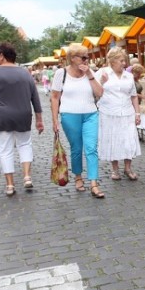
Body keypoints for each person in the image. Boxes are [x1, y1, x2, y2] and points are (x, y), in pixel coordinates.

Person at [0, 42, 44, 196]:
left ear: (2, 56)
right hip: (23, 114)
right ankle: (27, 176)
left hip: (1, 116)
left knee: (5, 150)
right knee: (25, 144)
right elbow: (35, 98)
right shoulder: (25, 73)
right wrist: (39, 119)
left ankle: (10, 185)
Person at [50, 44, 105, 199]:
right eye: (83, 57)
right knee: (76, 148)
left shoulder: (89, 72)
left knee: (91, 148)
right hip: (69, 115)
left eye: (87, 57)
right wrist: (55, 120)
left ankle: (94, 183)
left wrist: (90, 75)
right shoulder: (61, 73)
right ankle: (78, 176)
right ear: (73, 58)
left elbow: (100, 93)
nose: (87, 60)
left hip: (91, 114)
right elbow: (54, 97)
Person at [96, 47, 141, 181]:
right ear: (113, 61)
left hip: (127, 112)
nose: (124, 63)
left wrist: (137, 113)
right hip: (109, 113)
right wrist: (102, 82)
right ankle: (115, 170)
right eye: (121, 61)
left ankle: (128, 168)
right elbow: (95, 92)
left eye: (124, 60)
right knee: (113, 140)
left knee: (129, 140)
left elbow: (133, 96)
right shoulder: (102, 73)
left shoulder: (129, 76)